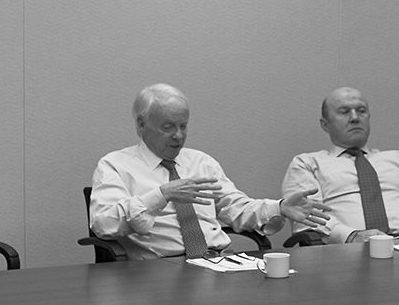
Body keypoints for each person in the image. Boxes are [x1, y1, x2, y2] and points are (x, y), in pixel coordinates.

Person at [90, 83, 331, 260]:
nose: (178, 136)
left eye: (183, 126)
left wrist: (279, 207)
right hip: (159, 270)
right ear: (142, 124)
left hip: (219, 261)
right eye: (168, 127)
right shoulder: (115, 165)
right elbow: (104, 223)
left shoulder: (201, 162)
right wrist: (161, 195)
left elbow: (236, 208)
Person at [281, 87, 399, 244]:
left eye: (361, 111)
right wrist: (351, 236)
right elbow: (306, 216)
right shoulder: (307, 163)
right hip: (346, 250)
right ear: (325, 124)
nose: (355, 118)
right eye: (344, 112)